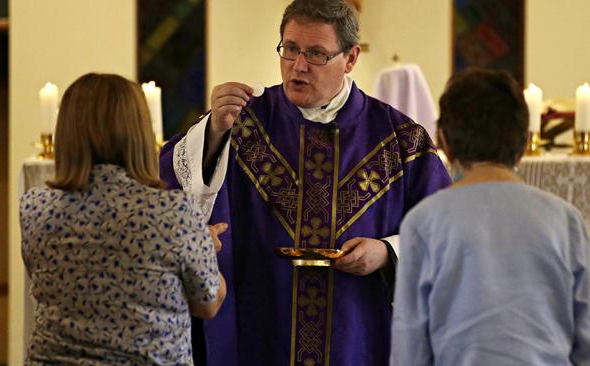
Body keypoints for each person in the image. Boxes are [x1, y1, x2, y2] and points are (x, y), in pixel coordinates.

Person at [159, 0, 451, 364]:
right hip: (262, 326)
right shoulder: (242, 122)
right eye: (290, 49)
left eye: (315, 54)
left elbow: (446, 232)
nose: (298, 66)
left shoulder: (400, 139)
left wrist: (388, 252)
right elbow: (163, 188)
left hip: (358, 333)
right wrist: (213, 131)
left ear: (351, 58)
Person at [391, 69, 590, 366]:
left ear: (444, 141)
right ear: (523, 144)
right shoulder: (565, 220)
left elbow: (410, 342)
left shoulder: (424, 222)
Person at [20, 73, 226, 365]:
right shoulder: (174, 213)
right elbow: (208, 303)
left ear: (65, 132)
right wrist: (201, 244)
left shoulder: (35, 207)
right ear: (140, 133)